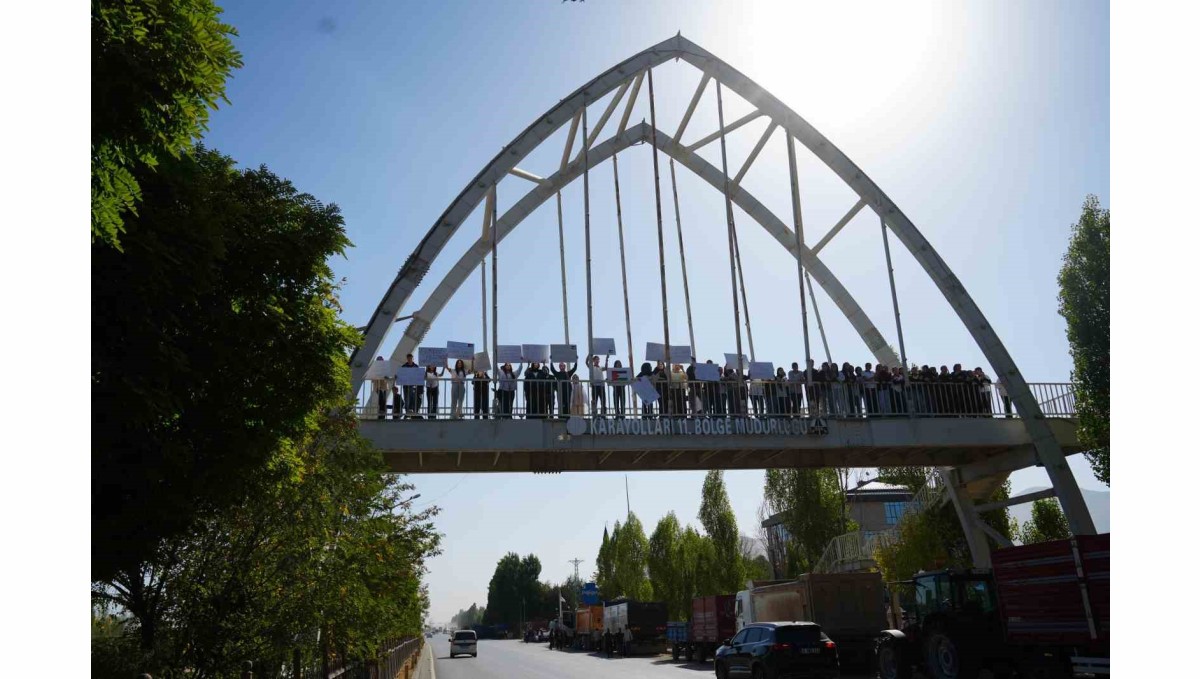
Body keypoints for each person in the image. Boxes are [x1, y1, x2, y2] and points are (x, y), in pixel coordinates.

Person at [401, 353, 419, 417]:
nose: (409, 360)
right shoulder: (403, 366)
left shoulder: (416, 366)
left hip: (413, 385)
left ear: (412, 358)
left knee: (412, 398)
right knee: (406, 398)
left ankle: (411, 410)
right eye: (408, 358)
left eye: (410, 358)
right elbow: (401, 374)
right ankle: (407, 411)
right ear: (407, 359)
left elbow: (418, 375)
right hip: (406, 385)